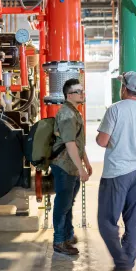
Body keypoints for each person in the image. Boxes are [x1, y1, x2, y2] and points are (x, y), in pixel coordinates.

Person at [96, 71, 136, 271]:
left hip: (116, 174)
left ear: (123, 88)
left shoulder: (114, 110)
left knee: (106, 221)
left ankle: (121, 265)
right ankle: (127, 265)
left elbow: (102, 141)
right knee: (132, 222)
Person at [50, 78, 92, 256]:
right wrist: (81, 168)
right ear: (69, 95)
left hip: (71, 165)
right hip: (65, 166)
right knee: (62, 204)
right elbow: (69, 143)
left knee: (68, 203)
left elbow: (78, 142)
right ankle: (59, 241)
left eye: (82, 90)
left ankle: (67, 235)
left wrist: (86, 163)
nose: (82, 94)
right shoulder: (67, 114)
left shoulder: (75, 112)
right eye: (78, 91)